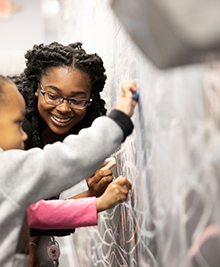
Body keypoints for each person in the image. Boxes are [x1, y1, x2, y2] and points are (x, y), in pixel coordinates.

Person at [0, 67, 136, 266]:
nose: (24, 133)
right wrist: (120, 118)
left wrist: (97, 203)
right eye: (17, 123)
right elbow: (68, 158)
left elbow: (36, 214)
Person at [12, 42, 137, 266]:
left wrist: (92, 194)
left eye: (77, 100)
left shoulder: (67, 129)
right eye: (52, 95)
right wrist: (28, 244)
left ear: (89, 101)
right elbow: (26, 214)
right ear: (35, 89)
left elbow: (41, 214)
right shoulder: (18, 134)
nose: (63, 108)